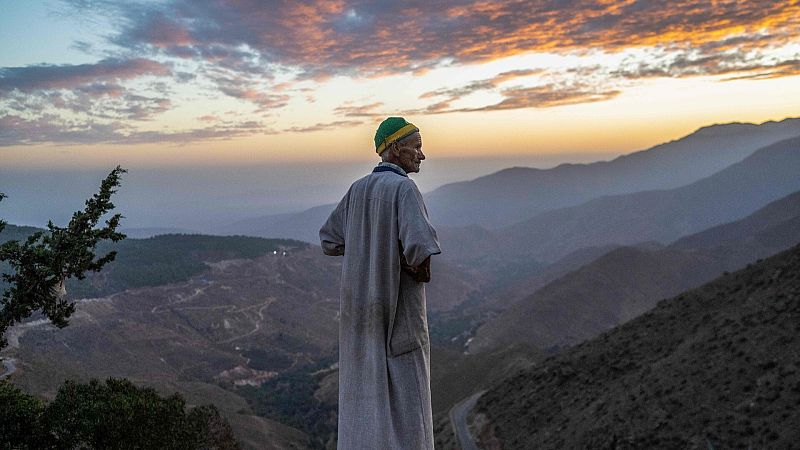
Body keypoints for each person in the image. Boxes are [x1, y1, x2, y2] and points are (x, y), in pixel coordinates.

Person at [319, 117, 441, 449]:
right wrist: (407, 265)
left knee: (365, 411)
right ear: (395, 149)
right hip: (397, 320)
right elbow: (421, 252)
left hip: (360, 322)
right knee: (407, 415)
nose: (422, 154)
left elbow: (329, 240)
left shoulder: (357, 190)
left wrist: (367, 251)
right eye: (416, 147)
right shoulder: (404, 189)